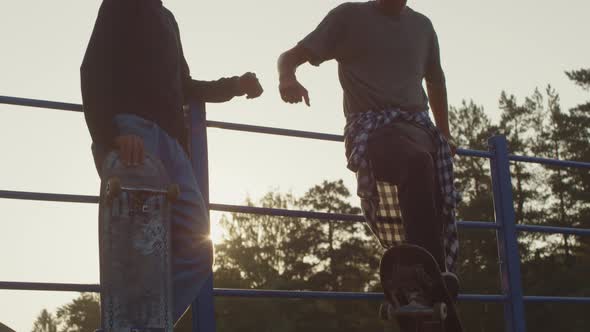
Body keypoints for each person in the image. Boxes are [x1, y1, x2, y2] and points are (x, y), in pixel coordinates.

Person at [277, 0, 461, 326]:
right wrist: (287, 79)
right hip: (373, 128)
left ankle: (427, 281)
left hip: (418, 127)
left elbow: (436, 81)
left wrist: (444, 132)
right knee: (417, 162)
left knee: (430, 174)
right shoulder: (348, 17)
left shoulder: (422, 27)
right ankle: (424, 276)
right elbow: (289, 57)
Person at [80, 0, 263, 324]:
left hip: (174, 146)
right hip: (134, 136)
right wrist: (110, 136)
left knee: (197, 251)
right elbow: (91, 69)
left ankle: (133, 327)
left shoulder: (167, 19)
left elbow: (185, 86)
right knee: (136, 252)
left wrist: (234, 86)